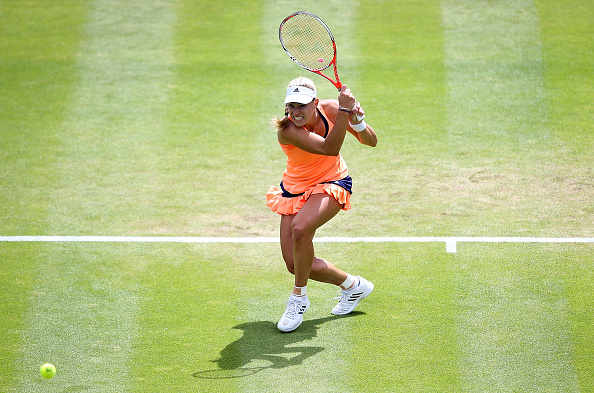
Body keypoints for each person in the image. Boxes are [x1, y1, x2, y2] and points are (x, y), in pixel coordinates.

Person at [266, 76, 378, 332]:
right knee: (294, 264)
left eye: (302, 106)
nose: (295, 112)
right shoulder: (287, 131)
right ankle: (353, 286)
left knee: (300, 229)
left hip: (333, 182)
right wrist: (346, 111)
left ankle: (298, 299)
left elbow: (371, 141)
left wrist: (358, 123)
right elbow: (330, 148)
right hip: (295, 191)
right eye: (291, 106)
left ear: (315, 103)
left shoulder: (331, 110)